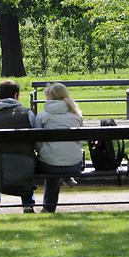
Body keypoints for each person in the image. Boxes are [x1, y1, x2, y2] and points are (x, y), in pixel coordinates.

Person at [0, 79, 36, 214]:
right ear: (16, 95)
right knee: (27, 162)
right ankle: (27, 203)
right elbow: (36, 140)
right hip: (25, 162)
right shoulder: (28, 113)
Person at [34, 82, 83, 212]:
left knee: (51, 162)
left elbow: (37, 142)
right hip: (74, 164)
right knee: (56, 160)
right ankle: (67, 177)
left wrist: (42, 151)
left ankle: (49, 208)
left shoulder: (42, 115)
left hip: (50, 164)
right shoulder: (76, 115)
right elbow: (80, 142)